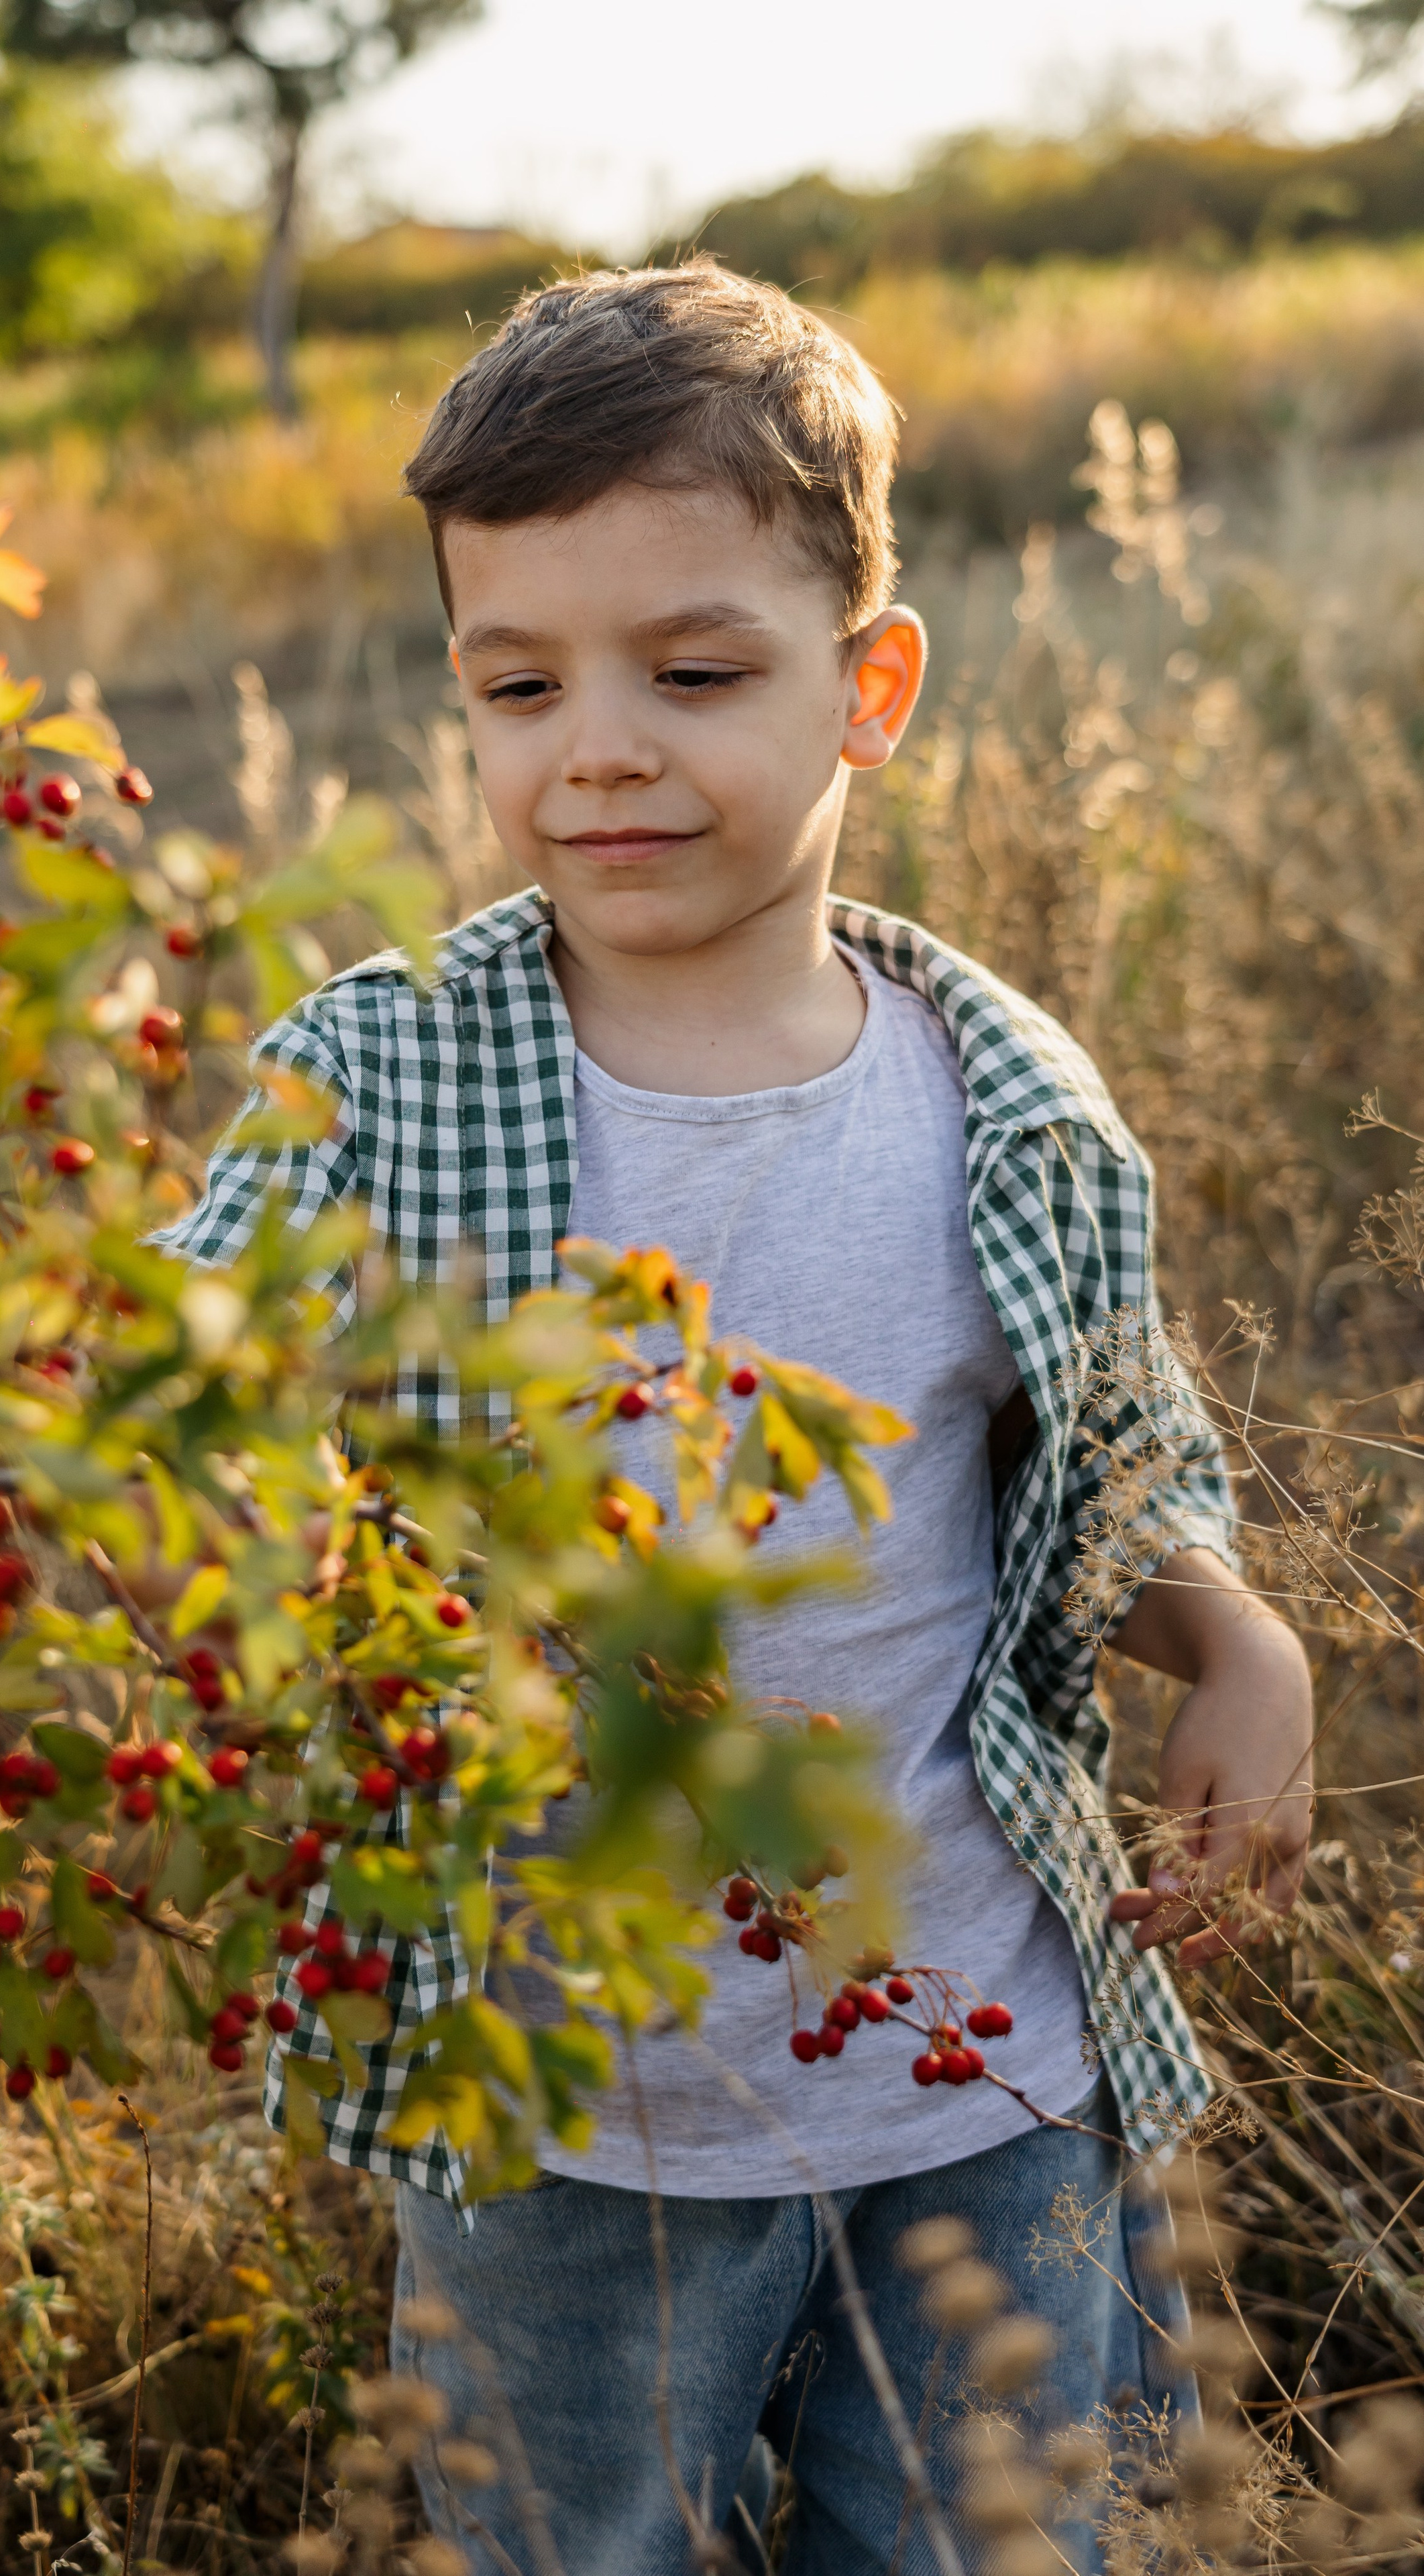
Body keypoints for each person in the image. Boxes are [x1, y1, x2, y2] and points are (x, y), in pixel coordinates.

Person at [160, 263, 1314, 2574]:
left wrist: (1238, 1639)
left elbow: (1114, 1454)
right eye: (520, 684)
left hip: (979, 2061)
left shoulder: (1004, 1097)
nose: (597, 748)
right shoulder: (377, 1081)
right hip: (563, 2103)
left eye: (693, 675)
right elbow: (163, 1418)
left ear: (868, 689)